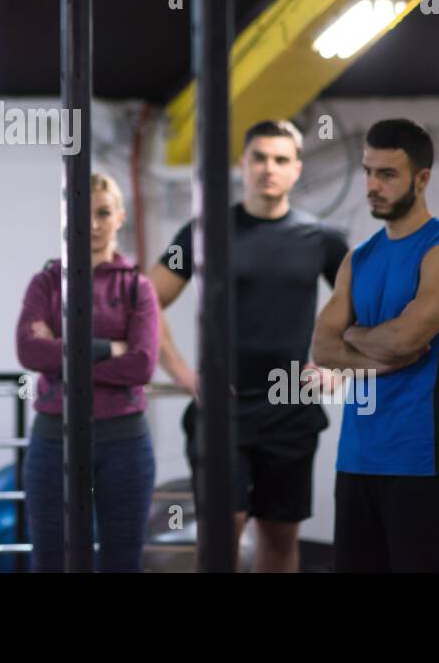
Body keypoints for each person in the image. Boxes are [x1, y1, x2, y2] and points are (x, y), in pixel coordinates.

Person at [150, 119, 348, 571]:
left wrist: (337, 366)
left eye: (281, 159)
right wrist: (184, 374)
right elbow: (148, 301)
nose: (268, 168)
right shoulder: (204, 233)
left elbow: (365, 308)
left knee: (279, 538)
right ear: (243, 164)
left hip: (291, 410)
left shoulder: (322, 240)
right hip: (223, 411)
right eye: (259, 157)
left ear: (297, 169)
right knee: (221, 536)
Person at [312, 118, 439, 572]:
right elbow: (322, 349)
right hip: (356, 459)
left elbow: (408, 338)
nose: (372, 185)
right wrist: (373, 357)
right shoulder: (358, 257)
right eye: (368, 171)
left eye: (387, 174)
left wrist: (354, 333)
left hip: (419, 460)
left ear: (422, 179)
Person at [15, 173, 159, 571]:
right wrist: (107, 349)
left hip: (124, 442)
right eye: (82, 213)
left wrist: (61, 357)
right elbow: (28, 350)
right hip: (53, 438)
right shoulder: (46, 282)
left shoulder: (137, 288)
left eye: (103, 212)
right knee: (51, 561)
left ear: (120, 218)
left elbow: (142, 364)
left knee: (121, 562)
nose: (93, 224)